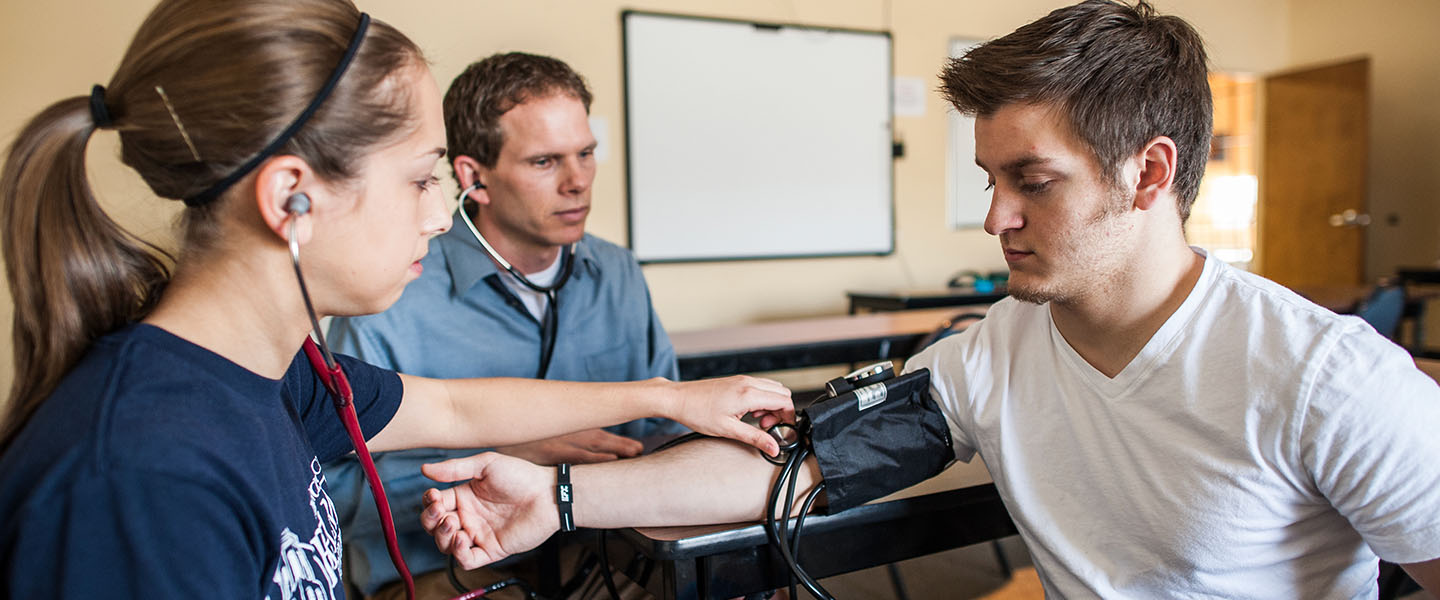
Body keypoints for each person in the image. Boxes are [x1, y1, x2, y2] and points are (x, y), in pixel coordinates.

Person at [415, 1, 1440, 598]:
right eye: (987, 181)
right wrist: (552, 500)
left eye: (1030, 182)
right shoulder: (996, 353)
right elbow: (799, 466)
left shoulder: (1325, 380)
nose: (993, 219)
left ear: (1147, 172)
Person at [0, 2, 792, 598]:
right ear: (292, 200)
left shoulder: (286, 376)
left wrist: (668, 396)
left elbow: (449, 410)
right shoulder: (137, 478)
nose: (435, 214)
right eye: (420, 181)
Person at [324, 52, 685, 597]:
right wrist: (505, 463)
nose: (578, 182)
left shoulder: (618, 273)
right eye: (545, 162)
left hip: (601, 544)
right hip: (445, 567)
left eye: (586, 154)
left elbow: (664, 433)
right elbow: (338, 492)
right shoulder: (394, 292)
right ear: (475, 177)